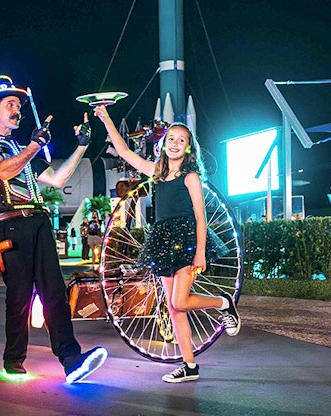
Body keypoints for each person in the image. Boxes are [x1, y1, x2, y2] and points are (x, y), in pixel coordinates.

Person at [0, 75, 107, 383]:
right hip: (7, 223)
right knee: (19, 295)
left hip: (38, 220)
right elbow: (2, 170)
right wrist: (34, 145)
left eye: (18, 105)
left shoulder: (19, 147)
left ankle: (71, 359)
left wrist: (81, 147)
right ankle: (13, 359)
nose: (17, 110)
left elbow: (56, 179)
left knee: (54, 291)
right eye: (9, 105)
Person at [94, 104, 239, 383]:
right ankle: (190, 366)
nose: (175, 144)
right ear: (163, 144)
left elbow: (200, 217)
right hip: (162, 240)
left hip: (186, 240)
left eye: (181, 140)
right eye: (171, 139)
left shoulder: (191, 177)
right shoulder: (156, 174)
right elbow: (124, 151)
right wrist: (106, 117)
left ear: (188, 148)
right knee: (174, 309)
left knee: (180, 300)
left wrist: (200, 253)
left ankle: (223, 302)